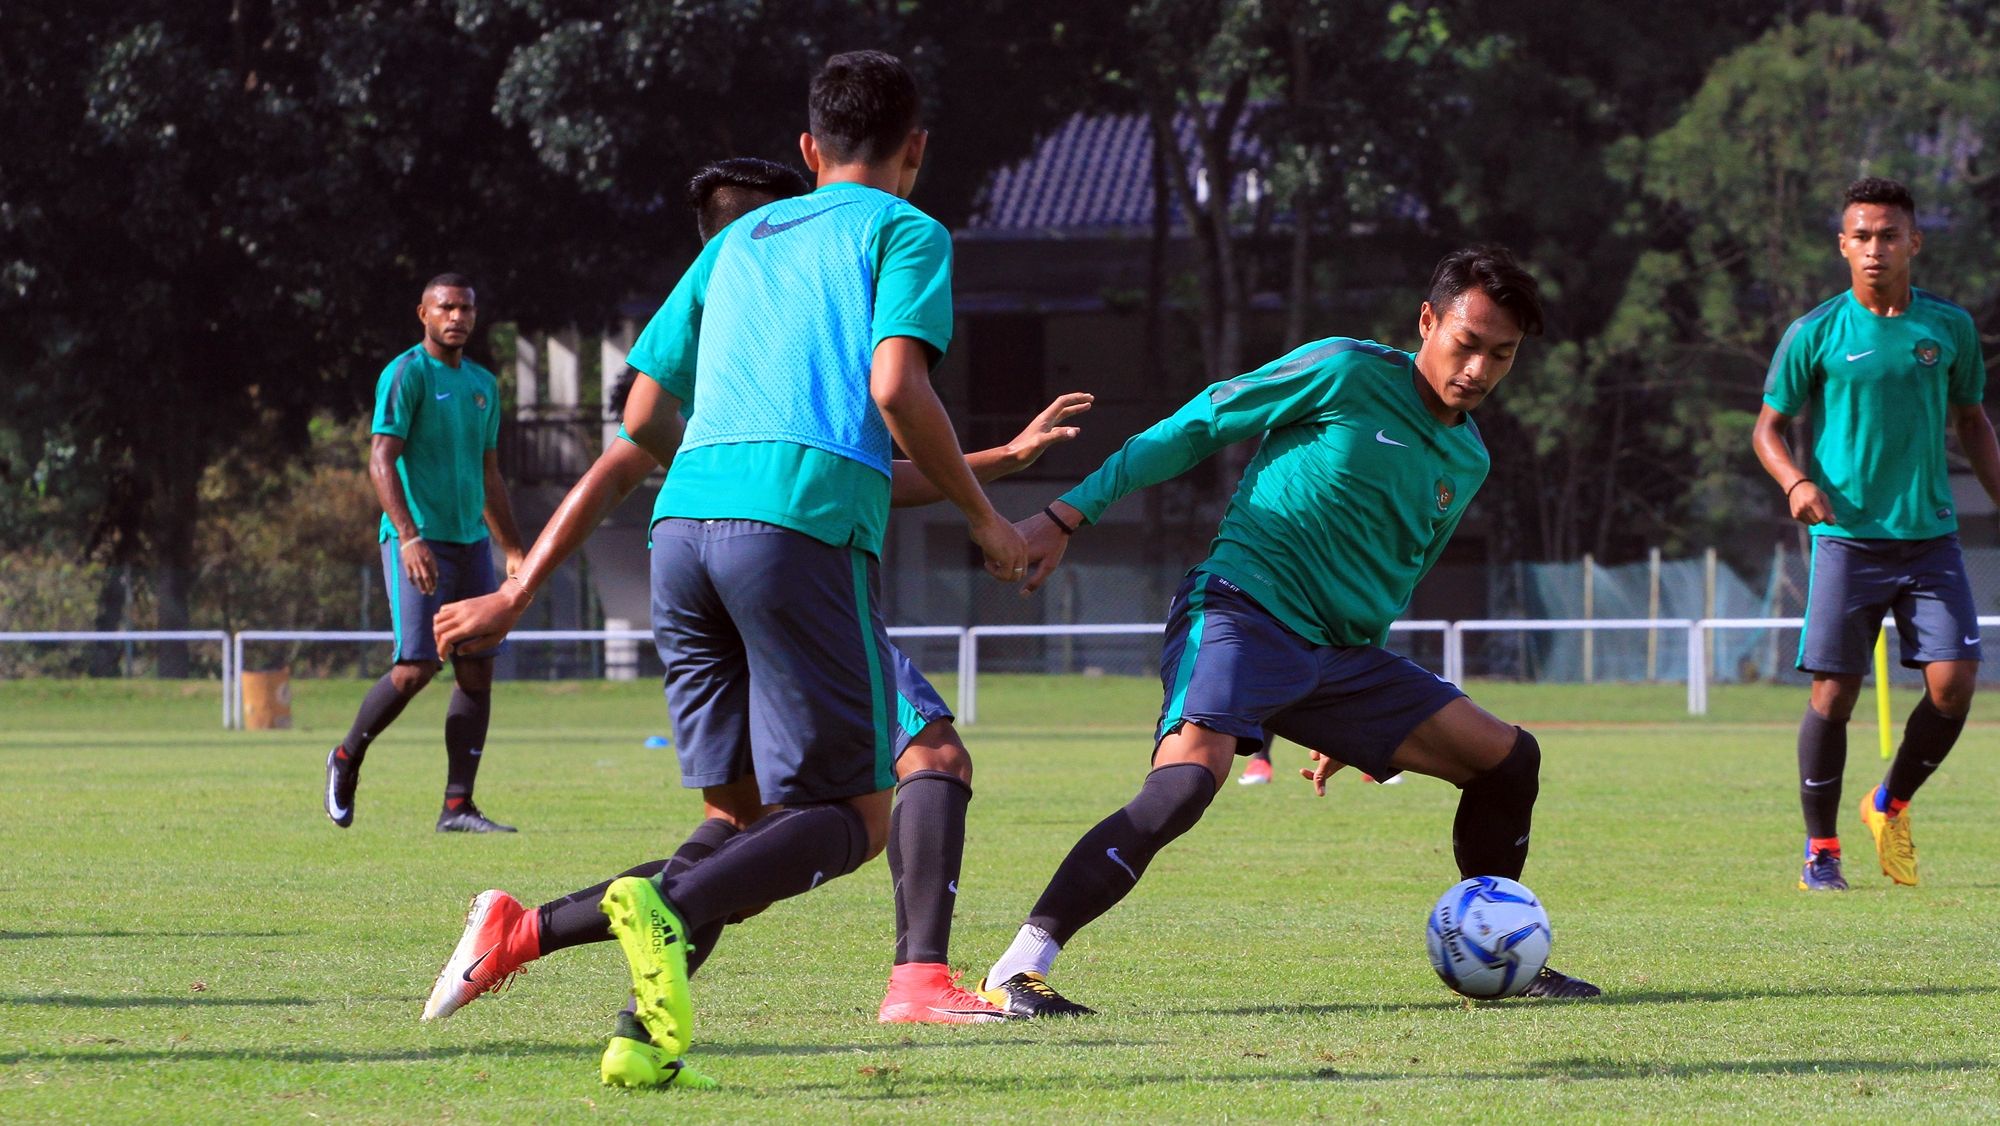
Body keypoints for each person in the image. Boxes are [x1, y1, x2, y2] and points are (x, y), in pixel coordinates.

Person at [419, 51, 1030, 1088]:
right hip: (794, 528)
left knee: (738, 822)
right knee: (854, 817)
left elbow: (644, 420)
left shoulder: (736, 239)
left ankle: (620, 1018)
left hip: (681, 525)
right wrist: (988, 518)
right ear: (915, 150)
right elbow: (895, 385)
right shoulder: (906, 229)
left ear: (807, 148)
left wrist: (525, 585)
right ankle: (686, 916)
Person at [974, 245, 1602, 1017]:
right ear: (1428, 321)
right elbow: (1198, 425)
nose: (1477, 369)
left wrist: (1357, 717)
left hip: (1339, 658)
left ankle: (1503, 956)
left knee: (1508, 760)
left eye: (1500, 356)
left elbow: (1395, 573)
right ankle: (1015, 971)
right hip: (1241, 608)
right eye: (1466, 344)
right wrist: (1067, 513)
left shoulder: (1466, 457)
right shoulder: (1343, 369)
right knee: (1183, 785)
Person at [1752, 176, 2000, 892]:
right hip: (1847, 538)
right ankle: (1821, 850)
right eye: (1860, 236)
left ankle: (1887, 802)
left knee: (1954, 687)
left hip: (1929, 537)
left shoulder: (1948, 329)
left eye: (1888, 235)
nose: (1874, 249)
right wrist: (1797, 483)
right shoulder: (1816, 331)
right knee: (1834, 696)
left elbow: (1974, 422)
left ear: (1913, 242)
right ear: (1842, 245)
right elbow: (1767, 428)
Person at [323, 274, 526, 833]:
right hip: (419, 541)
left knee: (477, 671)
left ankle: (457, 806)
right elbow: (381, 461)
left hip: (471, 543)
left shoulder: (483, 384)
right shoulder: (405, 373)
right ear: (424, 314)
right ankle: (346, 757)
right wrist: (408, 535)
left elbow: (490, 474)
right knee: (416, 667)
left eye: (465, 307)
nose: (456, 317)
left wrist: (512, 548)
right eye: (445, 308)